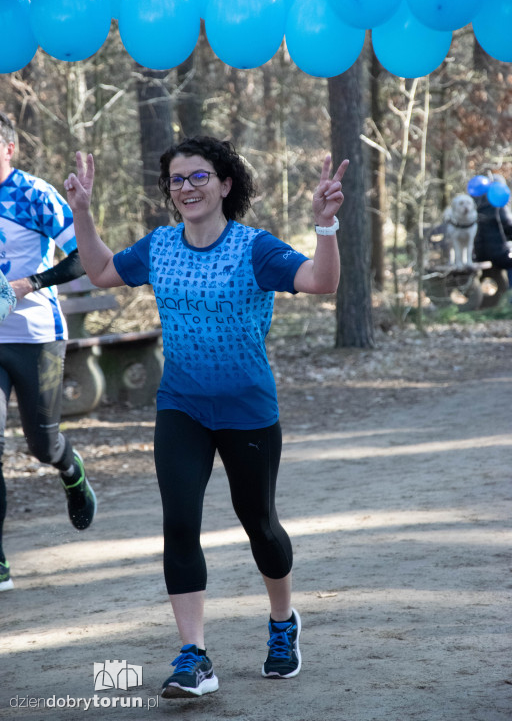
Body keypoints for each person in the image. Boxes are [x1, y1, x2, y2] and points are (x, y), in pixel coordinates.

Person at [64, 135, 348, 699]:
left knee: (259, 523)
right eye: (177, 179)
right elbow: (99, 271)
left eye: (199, 177)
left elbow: (323, 282)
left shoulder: (255, 248)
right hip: (182, 407)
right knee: (179, 521)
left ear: (224, 184)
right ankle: (194, 656)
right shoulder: (160, 247)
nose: (187, 187)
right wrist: (82, 212)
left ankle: (283, 624)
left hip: (247, 411)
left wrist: (324, 226)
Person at [0, 111, 97, 593]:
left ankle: (71, 471)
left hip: (35, 335)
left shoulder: (32, 194)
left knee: (42, 445)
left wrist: (28, 283)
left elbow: (84, 257)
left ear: (9, 149)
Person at [473, 175, 512, 289]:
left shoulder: (475, 205)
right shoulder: (498, 204)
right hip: (498, 254)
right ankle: (510, 295)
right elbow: (508, 226)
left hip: (479, 254)